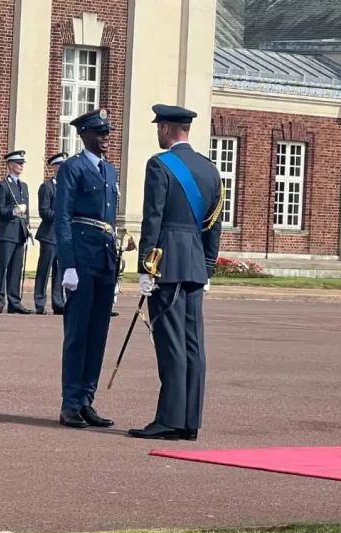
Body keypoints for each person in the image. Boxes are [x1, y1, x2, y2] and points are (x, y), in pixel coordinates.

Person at [128, 104, 223, 441]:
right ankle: (189, 421)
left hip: (166, 262)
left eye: (159, 127)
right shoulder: (211, 170)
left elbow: (152, 218)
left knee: (170, 345)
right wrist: (208, 266)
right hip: (196, 263)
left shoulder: (159, 164)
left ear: (167, 129)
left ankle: (169, 419)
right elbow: (213, 225)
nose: (157, 133)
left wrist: (144, 267)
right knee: (193, 344)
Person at [55, 108, 118, 429]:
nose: (106, 138)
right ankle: (70, 403)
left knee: (98, 333)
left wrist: (117, 267)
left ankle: (87, 400)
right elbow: (62, 217)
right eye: (100, 133)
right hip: (81, 257)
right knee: (78, 333)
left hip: (105, 259)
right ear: (85, 136)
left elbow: (111, 222)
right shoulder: (72, 168)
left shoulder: (110, 171)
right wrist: (68, 265)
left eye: (107, 132)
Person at [0, 150, 33, 314]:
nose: (21, 166)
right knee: (2, 266)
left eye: (22, 163)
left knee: (17, 267)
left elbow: (27, 210)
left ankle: (14, 301)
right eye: (18, 163)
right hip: (7, 231)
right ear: (10, 165)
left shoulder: (23, 186)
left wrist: (28, 226)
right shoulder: (3, 185)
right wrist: (13, 212)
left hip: (20, 232)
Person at [33, 152, 67, 315]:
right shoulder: (47, 187)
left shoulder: (68, 187)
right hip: (49, 234)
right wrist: (60, 213)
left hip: (63, 236)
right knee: (44, 269)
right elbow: (44, 212)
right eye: (61, 167)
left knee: (60, 270)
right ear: (54, 168)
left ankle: (58, 302)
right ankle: (40, 302)